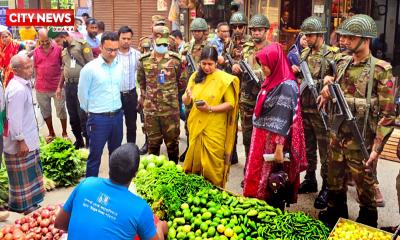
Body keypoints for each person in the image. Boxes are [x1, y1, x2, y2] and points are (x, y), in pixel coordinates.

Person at [318, 14, 396, 228]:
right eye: (344, 37)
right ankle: (336, 214)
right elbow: (332, 77)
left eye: (351, 38)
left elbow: (388, 115)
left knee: (365, 188)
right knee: (334, 182)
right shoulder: (342, 62)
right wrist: (327, 84)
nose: (344, 41)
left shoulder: (380, 70)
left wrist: (376, 149)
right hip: (336, 137)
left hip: (361, 141)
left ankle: (366, 222)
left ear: (366, 40)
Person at [55, 143, 168, 239]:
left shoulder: (86, 184)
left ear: (110, 166)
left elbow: (59, 223)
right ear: (135, 174)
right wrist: (161, 227)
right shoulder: (140, 207)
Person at [243, 43, 307, 209]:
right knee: (259, 176)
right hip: (263, 137)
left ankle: (269, 209)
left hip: (274, 142)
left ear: (276, 63)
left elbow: (284, 119)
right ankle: (258, 203)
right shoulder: (273, 80)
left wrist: (279, 148)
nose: (263, 68)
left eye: (265, 65)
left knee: (271, 179)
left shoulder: (287, 86)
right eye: (262, 65)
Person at [295, 16, 338, 210]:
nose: (306, 38)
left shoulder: (333, 55)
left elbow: (340, 80)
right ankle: (310, 178)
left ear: (320, 35)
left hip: (322, 111)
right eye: (305, 34)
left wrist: (329, 80)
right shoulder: (303, 53)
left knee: (325, 151)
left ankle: (327, 186)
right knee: (309, 147)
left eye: (310, 35)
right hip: (305, 107)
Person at [182, 46, 239, 188]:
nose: (206, 67)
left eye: (210, 64)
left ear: (216, 63)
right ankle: (194, 190)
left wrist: (210, 109)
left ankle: (215, 190)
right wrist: (187, 97)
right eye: (203, 64)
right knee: (194, 160)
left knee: (213, 164)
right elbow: (186, 100)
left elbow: (230, 104)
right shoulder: (195, 76)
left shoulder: (224, 79)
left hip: (215, 128)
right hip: (196, 124)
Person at [78, 31, 124, 177]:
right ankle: (90, 188)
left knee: (116, 155)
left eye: (116, 50)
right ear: (101, 47)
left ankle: (113, 186)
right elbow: (82, 95)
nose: (113, 53)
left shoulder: (119, 66)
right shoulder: (90, 69)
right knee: (95, 156)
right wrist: (92, 111)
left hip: (117, 116)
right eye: (109, 49)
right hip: (98, 119)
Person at [4, 55, 45, 214]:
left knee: (29, 174)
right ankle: (23, 206)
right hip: (21, 140)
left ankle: (29, 204)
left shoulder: (22, 84)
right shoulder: (17, 89)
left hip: (28, 136)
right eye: (27, 67)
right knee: (22, 177)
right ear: (15, 70)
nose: (31, 69)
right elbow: (14, 119)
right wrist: (21, 140)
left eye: (31, 66)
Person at [138, 26, 185, 163]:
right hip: (151, 112)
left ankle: (174, 173)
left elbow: (181, 83)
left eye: (165, 44)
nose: (162, 46)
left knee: (172, 145)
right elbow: (142, 82)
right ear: (153, 40)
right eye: (159, 44)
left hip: (170, 111)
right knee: (153, 146)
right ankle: (154, 177)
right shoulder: (144, 60)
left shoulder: (176, 60)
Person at [231, 14, 270, 173]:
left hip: (266, 99)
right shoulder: (245, 48)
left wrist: (256, 73)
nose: (255, 33)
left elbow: (276, 72)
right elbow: (237, 65)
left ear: (266, 31)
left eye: (259, 30)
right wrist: (236, 67)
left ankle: (263, 170)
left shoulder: (272, 49)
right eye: (253, 30)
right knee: (247, 137)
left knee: (264, 138)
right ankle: (249, 168)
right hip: (247, 99)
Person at [52, 31, 93, 149]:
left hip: (82, 85)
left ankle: (88, 141)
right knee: (73, 115)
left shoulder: (82, 45)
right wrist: (59, 87)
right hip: (69, 87)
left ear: (64, 37)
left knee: (83, 116)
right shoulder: (64, 50)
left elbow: (91, 66)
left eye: (59, 41)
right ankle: (79, 140)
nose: (58, 45)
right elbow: (64, 69)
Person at [180, 18, 210, 162]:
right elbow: (181, 59)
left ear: (204, 32)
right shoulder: (188, 45)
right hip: (189, 87)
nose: (196, 34)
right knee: (188, 121)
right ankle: (190, 147)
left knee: (202, 121)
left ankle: (200, 150)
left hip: (203, 86)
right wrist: (183, 60)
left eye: (199, 31)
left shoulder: (209, 47)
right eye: (194, 31)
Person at [34, 28, 68, 143]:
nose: (44, 43)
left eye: (46, 41)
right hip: (41, 87)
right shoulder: (36, 51)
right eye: (41, 41)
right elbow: (35, 67)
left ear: (50, 38)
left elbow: (63, 67)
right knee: (45, 111)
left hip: (57, 86)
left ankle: (64, 132)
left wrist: (60, 86)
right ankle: (51, 132)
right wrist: (35, 82)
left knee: (61, 110)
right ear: (38, 39)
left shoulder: (59, 49)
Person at [118, 26, 141, 144]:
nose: (126, 41)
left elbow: (142, 74)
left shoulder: (137, 55)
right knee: (116, 125)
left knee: (131, 125)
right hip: (116, 95)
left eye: (128, 38)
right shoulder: (113, 54)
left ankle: (131, 148)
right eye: (123, 38)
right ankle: (116, 150)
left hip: (131, 95)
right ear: (119, 38)